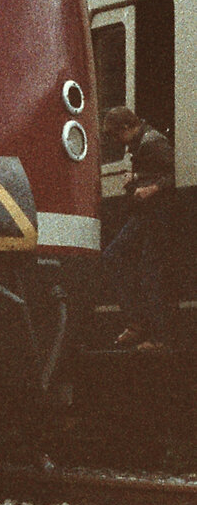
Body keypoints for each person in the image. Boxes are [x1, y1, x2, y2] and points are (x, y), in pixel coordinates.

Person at [102, 105, 176, 349]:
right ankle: (139, 324)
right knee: (119, 259)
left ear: (126, 127)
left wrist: (151, 189)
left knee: (148, 271)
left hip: (155, 216)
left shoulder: (153, 142)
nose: (117, 141)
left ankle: (157, 336)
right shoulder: (142, 143)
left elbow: (173, 175)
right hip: (146, 215)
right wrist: (135, 181)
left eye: (116, 135)